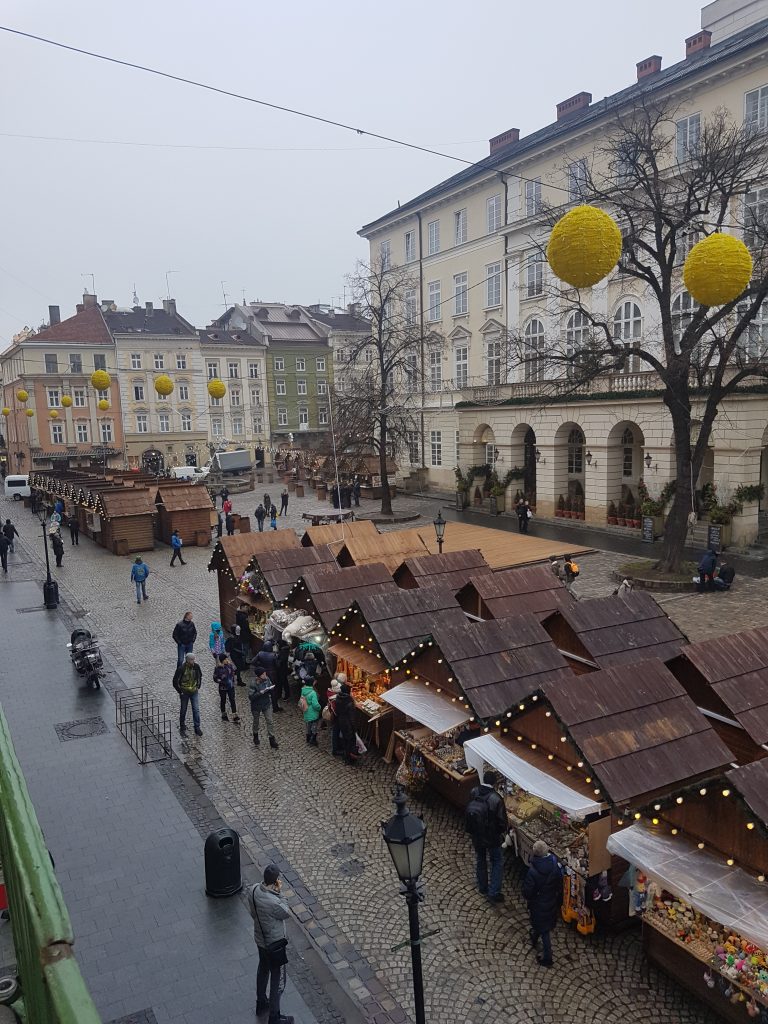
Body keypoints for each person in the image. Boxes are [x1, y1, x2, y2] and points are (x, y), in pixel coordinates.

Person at [249, 863, 293, 1024]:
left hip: (260, 940)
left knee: (263, 968)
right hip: (274, 944)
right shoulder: (274, 902)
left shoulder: (253, 890)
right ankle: (275, 1016)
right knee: (277, 978)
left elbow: (253, 913)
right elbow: (286, 912)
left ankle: (261, 1002)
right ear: (275, 881)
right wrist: (280, 893)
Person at [464, 770, 509, 904]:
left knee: (481, 859)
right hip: (492, 837)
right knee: (496, 862)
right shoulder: (496, 799)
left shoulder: (474, 791)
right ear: (494, 783)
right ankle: (494, 892)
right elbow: (502, 822)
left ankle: (482, 887)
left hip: (477, 834)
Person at [522, 839, 563, 968]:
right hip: (550, 900)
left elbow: (528, 892)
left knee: (543, 929)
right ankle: (534, 936)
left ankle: (548, 958)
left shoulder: (533, 871)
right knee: (542, 923)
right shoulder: (554, 866)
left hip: (538, 903)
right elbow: (559, 883)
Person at [172, 652, 203, 736]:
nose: (193, 661)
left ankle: (197, 727)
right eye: (192, 660)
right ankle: (182, 724)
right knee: (183, 709)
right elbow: (175, 681)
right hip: (184, 692)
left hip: (194, 691)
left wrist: (198, 685)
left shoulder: (196, 667)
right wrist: (180, 691)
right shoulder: (181, 668)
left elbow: (200, 675)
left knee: (196, 709)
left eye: (194, 659)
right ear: (188, 660)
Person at [249, 667, 279, 749]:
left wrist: (270, 689)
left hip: (266, 704)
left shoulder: (267, 679)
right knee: (256, 722)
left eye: (265, 673)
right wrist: (260, 693)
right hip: (256, 706)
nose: (265, 675)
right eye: (263, 674)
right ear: (259, 676)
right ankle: (255, 735)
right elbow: (251, 697)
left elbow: (270, 686)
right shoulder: (253, 683)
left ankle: (272, 739)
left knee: (270, 721)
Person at [214, 652, 240, 723]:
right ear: (222, 660)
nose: (227, 660)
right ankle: (224, 714)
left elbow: (234, 670)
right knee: (223, 700)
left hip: (231, 686)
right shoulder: (218, 668)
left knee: (232, 700)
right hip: (223, 688)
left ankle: (235, 715)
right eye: (225, 659)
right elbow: (215, 678)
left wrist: (233, 681)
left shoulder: (230, 665)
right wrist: (221, 681)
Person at [334, 682, 356, 765]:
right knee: (350, 741)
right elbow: (352, 718)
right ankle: (349, 758)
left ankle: (346, 755)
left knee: (345, 739)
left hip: (341, 721)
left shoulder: (338, 698)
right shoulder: (349, 701)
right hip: (348, 724)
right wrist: (354, 728)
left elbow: (336, 711)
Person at [326, 675, 345, 756]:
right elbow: (335, 710)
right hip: (336, 718)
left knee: (336, 732)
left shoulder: (330, 693)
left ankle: (338, 747)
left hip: (336, 717)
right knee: (335, 733)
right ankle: (335, 749)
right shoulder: (334, 699)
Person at [300, 678, 321, 745]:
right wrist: (319, 708)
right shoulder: (313, 693)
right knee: (314, 726)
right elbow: (315, 704)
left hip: (306, 712)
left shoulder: (303, 691)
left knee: (308, 725)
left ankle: (308, 738)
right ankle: (313, 740)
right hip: (313, 713)